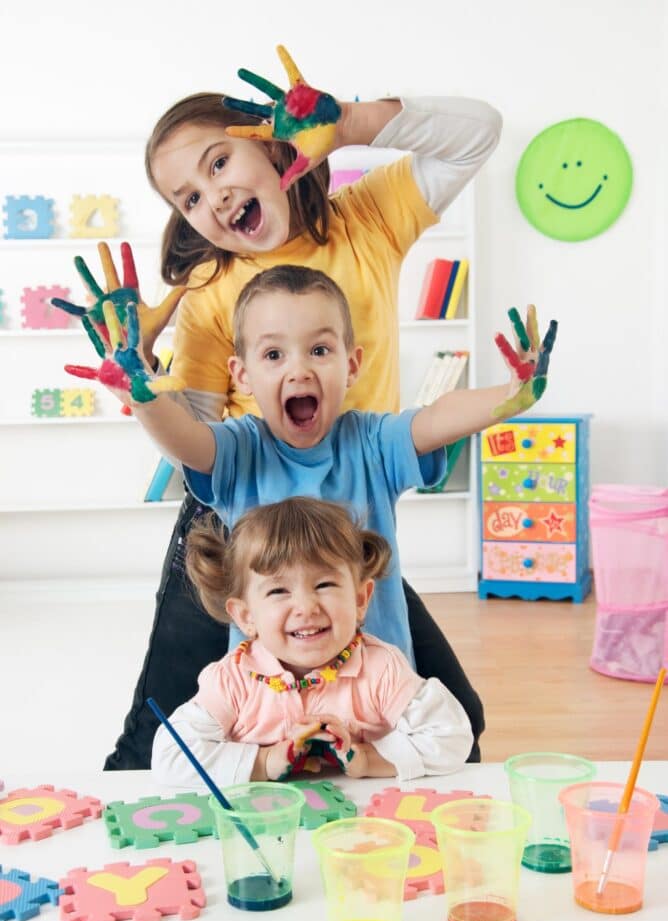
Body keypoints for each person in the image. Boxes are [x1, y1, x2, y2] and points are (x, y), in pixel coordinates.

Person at [79, 47, 503, 771]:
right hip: (240, 522)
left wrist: (348, 125)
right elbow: (200, 434)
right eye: (185, 197)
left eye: (217, 164)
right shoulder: (211, 293)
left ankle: (383, 806)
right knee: (160, 727)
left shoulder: (366, 220)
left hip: (350, 510)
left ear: (272, 139)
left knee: (453, 711)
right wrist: (141, 378)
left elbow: (480, 132)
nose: (208, 198)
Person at [75, 264, 555, 760]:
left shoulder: (372, 441)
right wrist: (142, 396)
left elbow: (434, 420)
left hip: (373, 706)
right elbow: (187, 441)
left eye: (320, 350)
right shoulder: (241, 449)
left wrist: (509, 397)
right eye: (274, 353)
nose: (299, 369)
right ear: (242, 373)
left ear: (352, 365)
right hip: (272, 708)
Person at [151, 496, 474, 785]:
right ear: (246, 616)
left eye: (324, 584)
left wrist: (366, 759)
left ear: (361, 599)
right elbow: (170, 756)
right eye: (279, 591)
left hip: (360, 834)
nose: (306, 607)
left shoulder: (382, 669)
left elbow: (452, 737)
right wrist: (264, 762)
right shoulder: (232, 680)